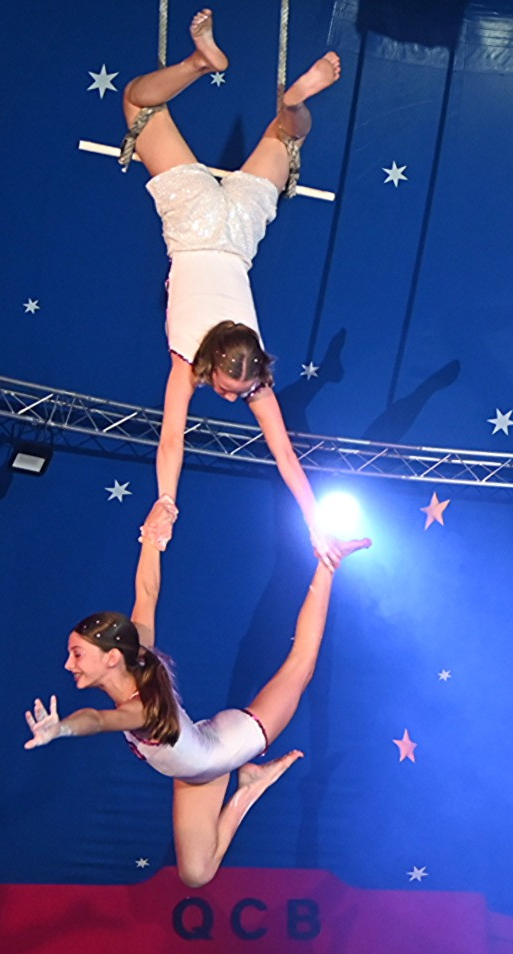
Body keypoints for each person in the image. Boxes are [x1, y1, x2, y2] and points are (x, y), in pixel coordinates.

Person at [23, 500, 370, 887]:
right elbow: (146, 592)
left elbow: (99, 719)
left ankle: (327, 565)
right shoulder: (140, 654)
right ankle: (249, 787)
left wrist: (63, 729)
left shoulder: (140, 710)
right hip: (197, 768)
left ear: (111, 658)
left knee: (301, 662)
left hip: (231, 743)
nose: (69, 665)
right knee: (195, 874)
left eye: (77, 654)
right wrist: (151, 540)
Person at [119, 9, 343, 562]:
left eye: (231, 391)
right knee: (135, 106)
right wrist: (164, 501)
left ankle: (286, 103)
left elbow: (285, 453)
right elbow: (175, 437)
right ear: (223, 358)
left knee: (284, 139)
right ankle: (201, 61)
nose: (230, 396)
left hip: (241, 227)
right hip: (193, 222)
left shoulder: (252, 370)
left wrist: (317, 522)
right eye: (230, 389)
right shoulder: (184, 358)